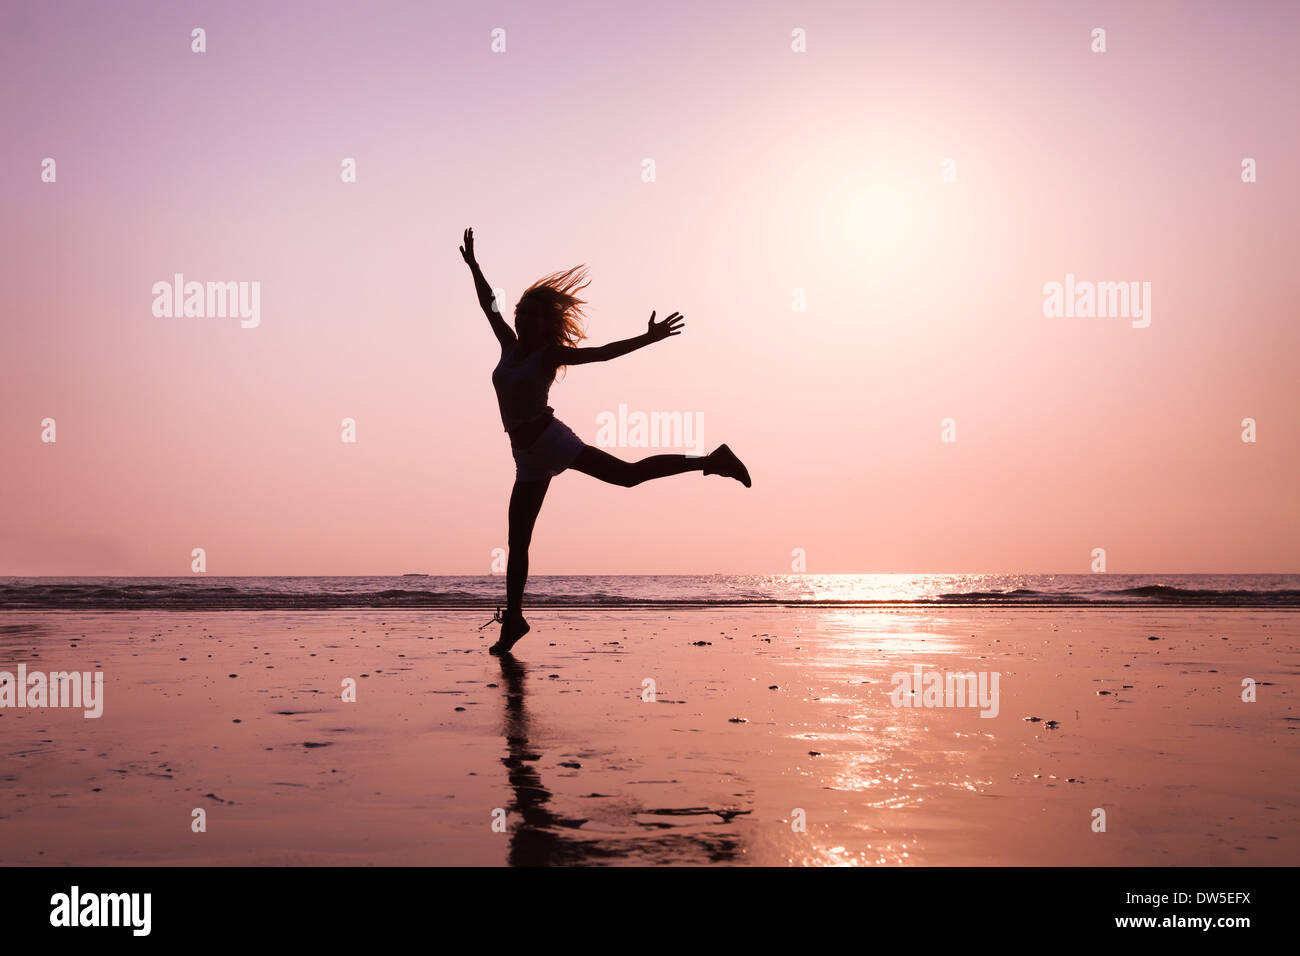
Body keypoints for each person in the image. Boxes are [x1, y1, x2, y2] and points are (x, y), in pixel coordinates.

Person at [460, 227, 751, 654]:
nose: (520, 318)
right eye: (520, 312)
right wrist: (474, 265)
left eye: (530, 315)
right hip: (525, 457)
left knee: (628, 476)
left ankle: (711, 458)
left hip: (551, 440)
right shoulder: (508, 345)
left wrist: (648, 338)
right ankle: (515, 620)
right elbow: (489, 305)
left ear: (545, 325)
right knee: (517, 540)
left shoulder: (548, 354)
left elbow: (604, 352)